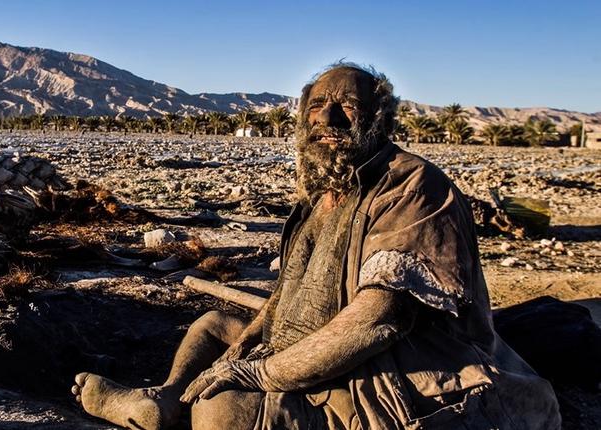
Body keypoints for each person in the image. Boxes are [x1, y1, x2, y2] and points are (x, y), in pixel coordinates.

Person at [71, 63, 561, 430]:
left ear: (380, 118)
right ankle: (166, 399)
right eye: (316, 107)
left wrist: (260, 373)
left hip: (397, 367)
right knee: (215, 324)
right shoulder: (320, 198)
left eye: (348, 106)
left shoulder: (411, 186)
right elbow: (284, 297)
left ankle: (188, 409)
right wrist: (242, 349)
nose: (328, 117)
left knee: (223, 408)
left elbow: (377, 321)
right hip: (306, 348)